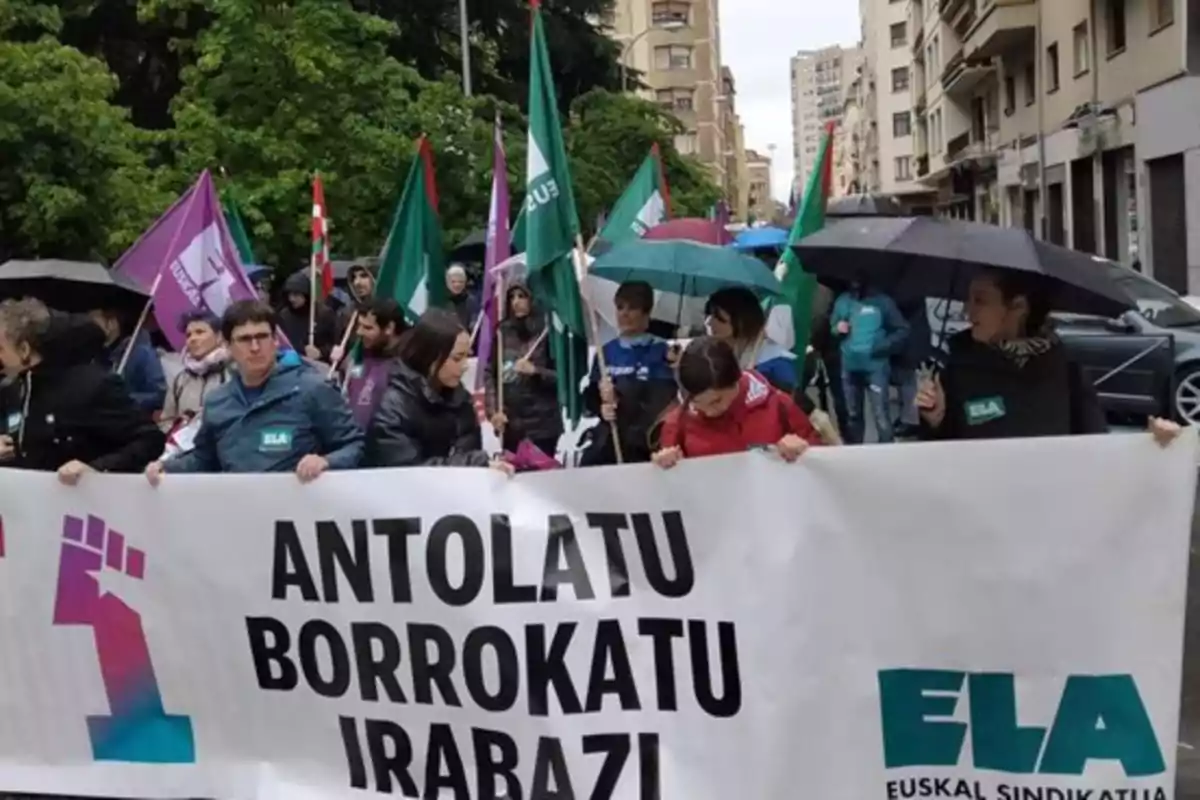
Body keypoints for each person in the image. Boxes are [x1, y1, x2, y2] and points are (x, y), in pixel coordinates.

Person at [916, 269, 1182, 445]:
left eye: (980, 301)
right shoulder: (958, 368)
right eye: (968, 299)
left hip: (1050, 517)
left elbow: (1098, 450)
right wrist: (935, 420)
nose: (966, 311)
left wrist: (1153, 444)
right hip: (983, 520)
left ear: (1018, 306)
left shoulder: (1066, 370)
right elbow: (941, 464)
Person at [144, 300, 363, 483]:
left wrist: (326, 462)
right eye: (245, 339)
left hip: (298, 521)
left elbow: (355, 446)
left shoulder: (313, 389)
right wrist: (166, 468)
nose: (255, 347)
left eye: (262, 337)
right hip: (243, 519)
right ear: (228, 346)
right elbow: (204, 458)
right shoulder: (217, 402)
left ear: (276, 341)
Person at [0, 299, 165, 482]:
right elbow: (29, 445)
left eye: (1, 349)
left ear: (24, 349)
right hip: (30, 502)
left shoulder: (92, 385)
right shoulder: (14, 389)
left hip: (88, 505)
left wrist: (96, 468)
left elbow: (150, 439)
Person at [366, 309, 511, 472]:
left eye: (467, 356)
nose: (465, 366)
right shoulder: (392, 411)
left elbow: (468, 450)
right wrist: (474, 464)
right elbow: (410, 473)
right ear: (430, 357)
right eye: (457, 358)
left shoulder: (461, 400)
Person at [652, 338, 823, 468]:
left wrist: (803, 449)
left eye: (716, 401)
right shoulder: (677, 423)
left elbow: (823, 458)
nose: (709, 412)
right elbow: (669, 491)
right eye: (697, 403)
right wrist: (665, 464)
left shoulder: (778, 405)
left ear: (736, 381)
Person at [580, 281, 677, 465]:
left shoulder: (661, 350)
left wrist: (620, 400)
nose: (624, 314)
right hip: (609, 442)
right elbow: (590, 398)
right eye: (620, 307)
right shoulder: (605, 352)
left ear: (646, 313)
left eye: (632, 308)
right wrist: (601, 407)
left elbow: (661, 401)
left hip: (643, 444)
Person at [485, 282, 562, 457]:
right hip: (511, 424)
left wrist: (536, 371)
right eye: (512, 297)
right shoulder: (502, 332)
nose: (516, 302)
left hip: (543, 425)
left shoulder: (548, 331)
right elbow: (491, 373)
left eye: (522, 296)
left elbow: (562, 378)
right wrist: (494, 411)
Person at [830, 280, 909, 444]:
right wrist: (837, 328)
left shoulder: (883, 302)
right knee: (853, 415)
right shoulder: (842, 301)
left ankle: (887, 455)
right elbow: (832, 326)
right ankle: (854, 455)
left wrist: (881, 347)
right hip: (849, 367)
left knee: (881, 416)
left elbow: (902, 329)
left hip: (876, 368)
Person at [705, 287, 799, 395]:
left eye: (718, 318)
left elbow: (788, 404)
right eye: (708, 314)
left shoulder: (775, 363)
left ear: (741, 322)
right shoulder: (709, 355)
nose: (708, 322)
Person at [89, 306, 167, 413]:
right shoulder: (98, 356)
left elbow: (160, 395)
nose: (91, 331)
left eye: (96, 326)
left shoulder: (143, 353)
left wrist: (124, 399)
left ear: (112, 324)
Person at [344, 298, 408, 430]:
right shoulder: (358, 355)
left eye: (367, 328)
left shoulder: (407, 366)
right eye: (359, 326)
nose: (359, 332)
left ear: (389, 328)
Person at [160, 311, 229, 431]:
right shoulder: (180, 380)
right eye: (188, 335)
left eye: (200, 332)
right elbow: (166, 420)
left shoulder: (233, 373)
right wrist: (176, 428)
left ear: (219, 337)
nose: (193, 339)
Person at [891, 298, 932, 438]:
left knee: (907, 378)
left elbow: (906, 306)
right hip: (912, 337)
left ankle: (910, 420)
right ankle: (907, 417)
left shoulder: (909, 295)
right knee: (906, 378)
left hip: (911, 339)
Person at [276, 270, 336, 362]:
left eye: (296, 294)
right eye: (289, 294)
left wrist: (321, 352)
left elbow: (335, 344)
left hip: (318, 366)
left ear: (305, 294)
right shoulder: (284, 315)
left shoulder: (324, 314)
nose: (291, 299)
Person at [444, 264, 480, 333]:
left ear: (465, 282)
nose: (457, 285)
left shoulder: (471, 301)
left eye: (460, 282)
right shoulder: (441, 300)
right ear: (447, 283)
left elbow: (475, 323)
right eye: (453, 281)